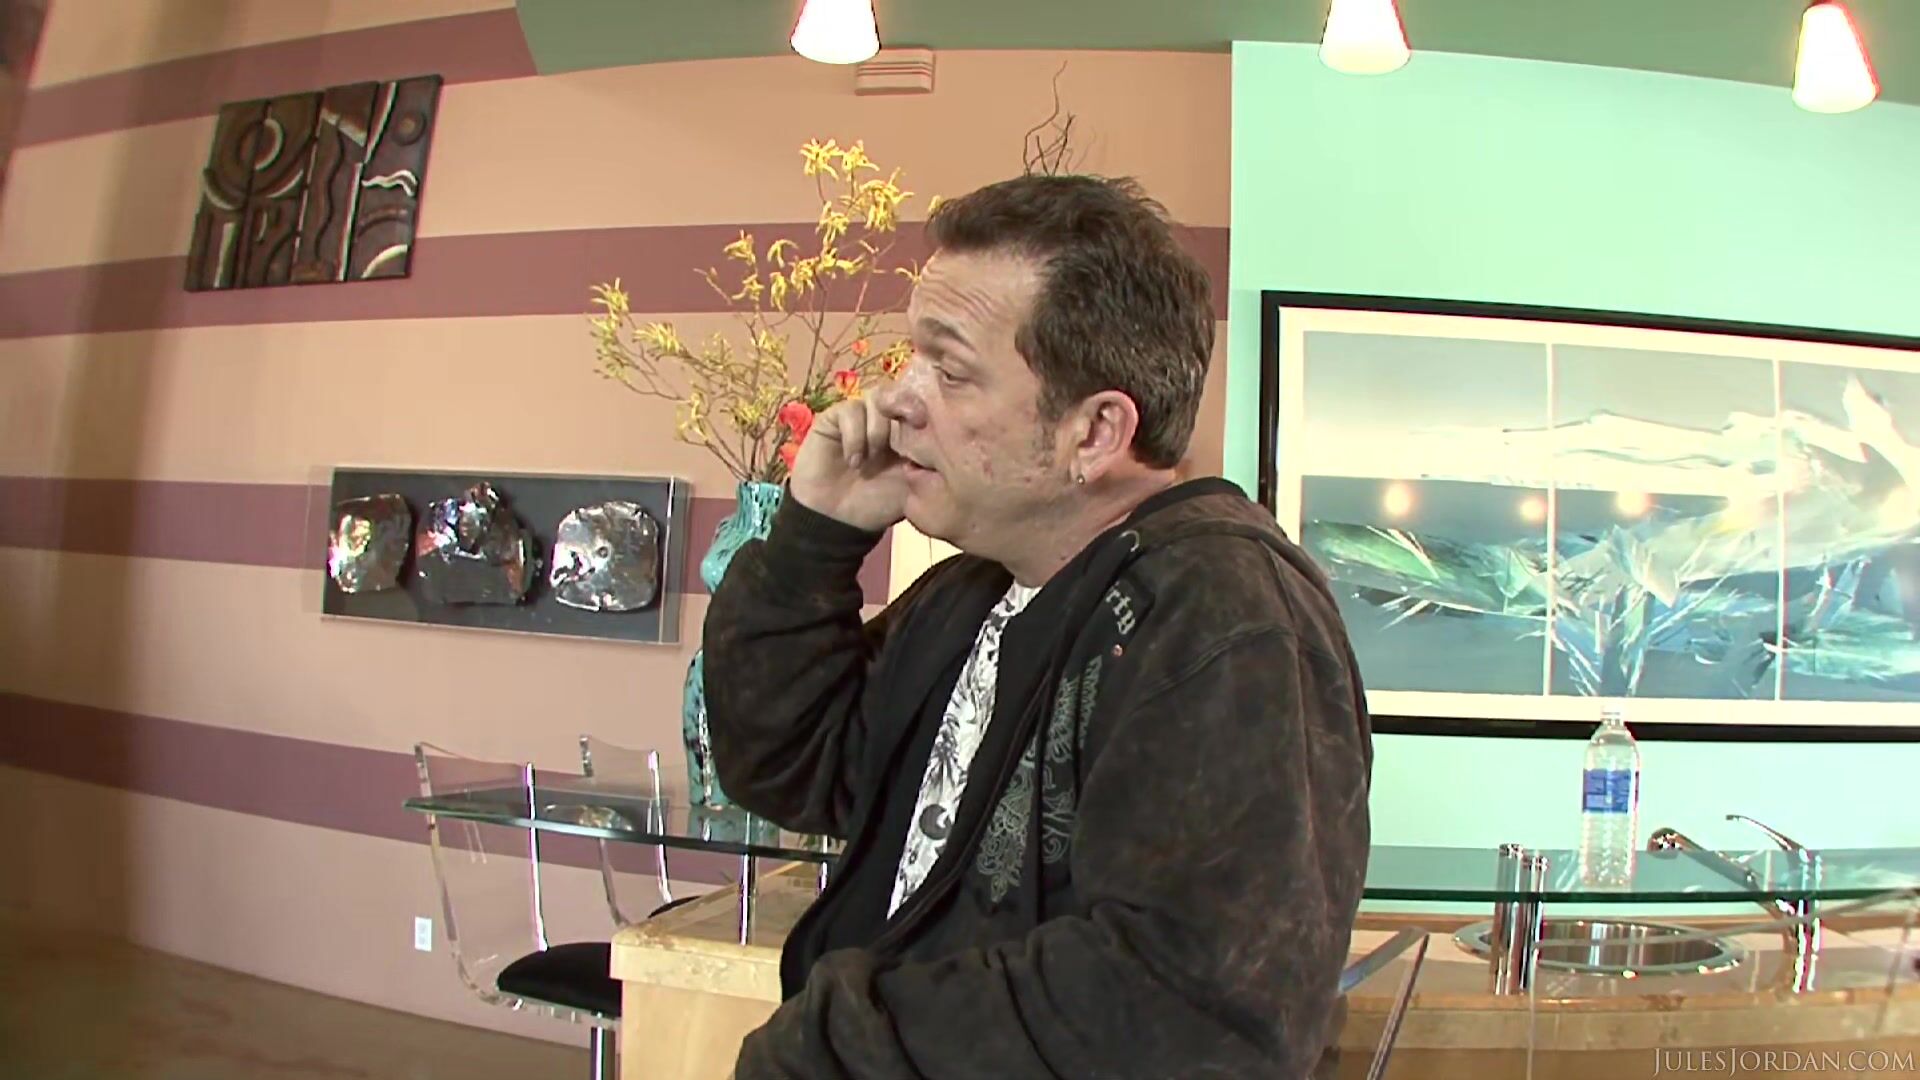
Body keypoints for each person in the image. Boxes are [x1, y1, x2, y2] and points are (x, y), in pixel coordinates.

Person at [703, 174, 1373, 1078]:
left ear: (1093, 433)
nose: (898, 399)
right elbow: (790, 768)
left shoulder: (1223, 612)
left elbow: (1188, 1005)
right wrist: (815, 537)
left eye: (949, 369)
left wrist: (825, 1047)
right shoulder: (974, 591)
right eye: (912, 358)